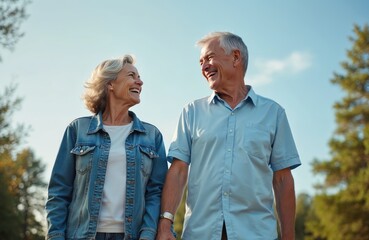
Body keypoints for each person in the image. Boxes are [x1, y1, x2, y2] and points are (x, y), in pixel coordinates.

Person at [156, 32, 301, 240]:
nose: (204, 67)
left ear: (235, 57)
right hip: (200, 233)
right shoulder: (192, 112)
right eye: (201, 62)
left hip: (256, 234)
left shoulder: (273, 113)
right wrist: (165, 224)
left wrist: (288, 236)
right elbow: (178, 172)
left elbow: (283, 179)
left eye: (209, 58)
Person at [46, 55, 168, 240]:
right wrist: (55, 235)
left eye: (139, 76)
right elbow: (59, 191)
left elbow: (156, 193)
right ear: (110, 83)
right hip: (82, 235)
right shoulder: (78, 130)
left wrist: (148, 234)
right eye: (131, 75)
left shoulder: (152, 136)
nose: (140, 81)